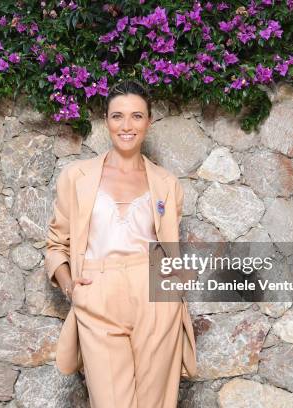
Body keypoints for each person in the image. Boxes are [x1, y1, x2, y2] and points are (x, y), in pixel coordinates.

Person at [45, 79, 197, 408]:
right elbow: (56, 244)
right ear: (106, 121)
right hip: (98, 295)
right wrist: (72, 286)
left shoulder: (167, 184)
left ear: (148, 122)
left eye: (136, 116)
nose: (126, 126)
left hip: (155, 297)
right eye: (117, 116)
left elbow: (168, 249)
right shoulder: (77, 177)